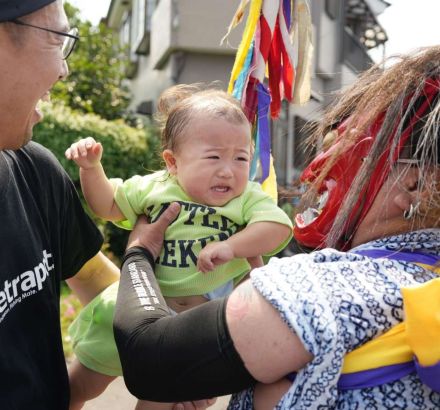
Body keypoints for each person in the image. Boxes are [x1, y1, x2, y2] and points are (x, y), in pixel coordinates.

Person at [114, 46, 440, 409]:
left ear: (416, 185)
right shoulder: (424, 277)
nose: (319, 167)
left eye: (350, 149)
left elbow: (149, 357)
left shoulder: (332, 288)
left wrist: (140, 252)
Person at [0, 2, 217, 410]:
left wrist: (168, 343)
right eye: (56, 39)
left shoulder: (35, 170)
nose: (64, 70)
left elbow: (94, 278)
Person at [64, 84, 293, 409]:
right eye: (213, 156)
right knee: (79, 386)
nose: (228, 169)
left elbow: (276, 227)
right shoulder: (155, 187)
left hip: (188, 332)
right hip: (130, 310)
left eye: (241, 157)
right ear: (172, 162)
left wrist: (233, 246)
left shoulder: (245, 198)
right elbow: (108, 205)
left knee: (160, 400)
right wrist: (91, 169)